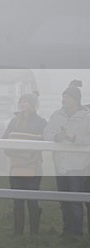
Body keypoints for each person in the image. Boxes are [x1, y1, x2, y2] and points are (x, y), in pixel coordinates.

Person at [43, 85, 90, 237]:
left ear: (76, 99)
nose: (63, 100)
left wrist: (74, 138)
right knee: (63, 199)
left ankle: (76, 233)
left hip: (78, 165)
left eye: (67, 97)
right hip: (60, 164)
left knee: (75, 200)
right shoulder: (56, 115)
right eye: (63, 96)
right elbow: (47, 133)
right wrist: (58, 136)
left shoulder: (87, 117)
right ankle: (67, 230)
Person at [2, 93, 47, 235]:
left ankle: (34, 232)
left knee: (32, 200)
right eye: (21, 101)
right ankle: (18, 232)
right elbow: (4, 141)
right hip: (16, 166)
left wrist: (28, 156)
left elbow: (43, 141)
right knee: (17, 200)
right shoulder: (14, 122)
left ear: (33, 104)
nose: (22, 104)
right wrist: (15, 154)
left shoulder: (41, 122)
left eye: (26, 101)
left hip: (34, 166)